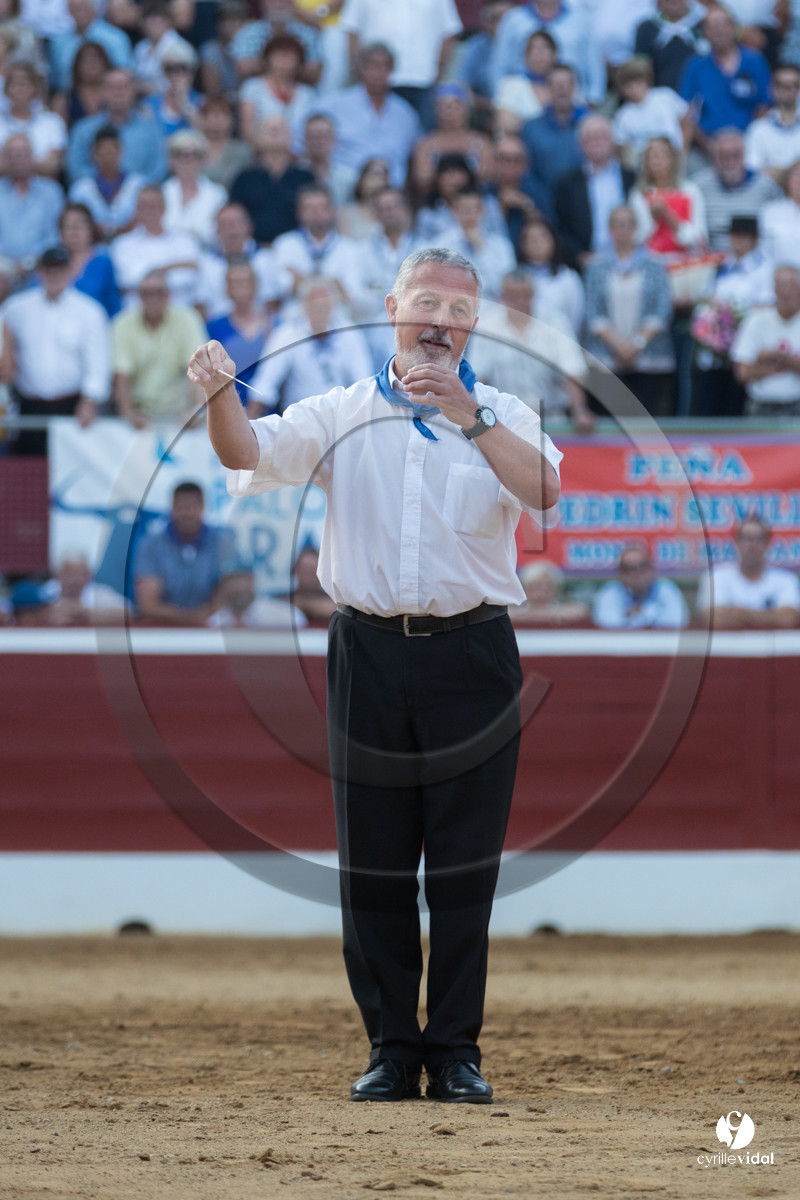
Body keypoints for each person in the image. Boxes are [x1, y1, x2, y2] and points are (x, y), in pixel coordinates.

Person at [188, 246, 562, 1104]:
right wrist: (217, 395)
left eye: (460, 312)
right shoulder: (341, 410)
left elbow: (542, 493)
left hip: (473, 653)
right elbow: (245, 452)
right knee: (376, 866)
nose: (441, 322)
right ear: (392, 305)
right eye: (427, 302)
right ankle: (394, 1048)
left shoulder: (503, 411)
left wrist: (470, 415)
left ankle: (456, 1050)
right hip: (367, 649)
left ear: (474, 327)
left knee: (466, 867)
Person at [2, 244, 110, 453]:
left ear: (71, 271)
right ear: (39, 272)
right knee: (29, 474)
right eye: (48, 268)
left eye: (59, 268)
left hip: (71, 407)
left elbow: (98, 360)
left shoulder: (89, 311)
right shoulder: (16, 308)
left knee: (70, 472)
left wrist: (90, 400)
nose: (54, 274)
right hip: (28, 406)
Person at [469, 267, 593, 430]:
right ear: (502, 296)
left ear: (534, 294)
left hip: (551, 421)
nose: (519, 301)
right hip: (503, 422)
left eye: (525, 295)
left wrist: (579, 411)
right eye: (513, 295)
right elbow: (478, 376)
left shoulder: (555, 321)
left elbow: (572, 370)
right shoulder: (487, 324)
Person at [583, 205, 676, 416]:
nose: (622, 230)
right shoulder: (595, 265)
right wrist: (618, 346)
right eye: (616, 225)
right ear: (609, 229)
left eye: (627, 225)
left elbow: (662, 309)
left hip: (648, 359)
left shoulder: (654, 264)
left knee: (646, 425)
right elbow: (592, 312)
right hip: (607, 359)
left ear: (636, 228)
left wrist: (636, 345)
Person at [248, 275, 373, 415]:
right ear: (304, 306)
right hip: (298, 419)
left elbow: (363, 382)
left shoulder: (350, 334)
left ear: (333, 306)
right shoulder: (287, 334)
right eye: (314, 306)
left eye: (324, 305)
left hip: (340, 417)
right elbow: (266, 382)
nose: (319, 312)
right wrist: (249, 421)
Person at [692, 215, 773, 418]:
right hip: (714, 352)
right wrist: (711, 325)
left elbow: (764, 308)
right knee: (708, 407)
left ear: (754, 240)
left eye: (744, 237)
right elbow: (705, 299)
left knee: (735, 408)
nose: (738, 241)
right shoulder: (722, 266)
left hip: (744, 351)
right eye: (735, 236)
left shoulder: (764, 269)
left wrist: (732, 320)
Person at [339, 0, 462, 130]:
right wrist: (359, 73)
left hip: (423, 80)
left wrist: (439, 72)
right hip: (376, 85)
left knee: (421, 136)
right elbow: (352, 30)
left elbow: (448, 31)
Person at [317, 42, 422, 192]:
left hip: (391, 192)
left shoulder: (405, 113)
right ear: (361, 69)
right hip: (346, 189)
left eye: (384, 66)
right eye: (373, 65)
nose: (378, 72)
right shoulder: (333, 105)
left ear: (391, 71)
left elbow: (416, 154)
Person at [111, 269, 208, 426]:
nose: (153, 298)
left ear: (169, 295)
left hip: (180, 412)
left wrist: (197, 411)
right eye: (146, 293)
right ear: (138, 296)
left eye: (159, 292)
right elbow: (122, 374)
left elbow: (199, 368)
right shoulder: (122, 324)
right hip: (140, 412)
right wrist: (129, 414)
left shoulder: (188, 319)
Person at [134, 480, 237, 625]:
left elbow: (230, 590)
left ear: (203, 508)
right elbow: (148, 605)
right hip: (162, 627)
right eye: (181, 507)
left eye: (192, 507)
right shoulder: (151, 545)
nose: (187, 513)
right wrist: (194, 618)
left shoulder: (223, 541)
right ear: (172, 509)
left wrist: (205, 616)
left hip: (211, 625)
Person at [679, 6, 772, 151]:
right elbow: (688, 112)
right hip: (706, 146)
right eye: (713, 27)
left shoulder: (755, 60)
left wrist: (748, 141)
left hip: (750, 144)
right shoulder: (695, 66)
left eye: (724, 25)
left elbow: (764, 106)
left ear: (734, 28)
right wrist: (709, 146)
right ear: (705, 32)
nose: (720, 31)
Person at [553, 114, 637, 268]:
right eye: (591, 137)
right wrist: (579, 256)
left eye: (602, 136)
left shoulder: (633, 178)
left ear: (613, 140)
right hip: (587, 263)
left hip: (631, 261)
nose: (597, 141)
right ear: (580, 145)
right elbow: (560, 227)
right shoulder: (567, 184)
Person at [490, 0, 605, 104]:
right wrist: (500, 100)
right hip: (522, 99)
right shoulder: (513, 20)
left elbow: (594, 64)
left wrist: (593, 100)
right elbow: (500, 64)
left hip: (572, 99)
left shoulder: (581, 19)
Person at [696, 515, 800, 630]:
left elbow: (789, 618)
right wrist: (769, 616)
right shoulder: (716, 576)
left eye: (759, 538)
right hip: (727, 646)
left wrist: (738, 613)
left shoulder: (786, 579)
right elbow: (714, 618)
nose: (752, 544)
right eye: (746, 538)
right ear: (736, 541)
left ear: (768, 543)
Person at [67, 67, 168, 185]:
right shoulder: (83, 130)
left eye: (125, 87)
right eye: (113, 87)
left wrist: (132, 190)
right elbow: (75, 169)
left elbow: (159, 170)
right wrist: (104, 187)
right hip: (94, 198)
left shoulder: (151, 130)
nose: (119, 92)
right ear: (103, 92)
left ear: (134, 91)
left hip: (140, 198)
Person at [271, 183, 365, 305]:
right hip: (295, 319)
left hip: (338, 320)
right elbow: (280, 288)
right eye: (309, 208)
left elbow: (354, 295)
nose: (315, 213)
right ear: (299, 212)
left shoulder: (350, 248)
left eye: (321, 208)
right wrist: (333, 284)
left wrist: (301, 280)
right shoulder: (285, 244)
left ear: (332, 211)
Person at [110, 184, 202, 308]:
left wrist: (151, 272)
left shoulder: (185, 241)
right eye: (144, 205)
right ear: (137, 210)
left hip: (180, 311)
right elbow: (129, 279)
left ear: (164, 208)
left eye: (154, 205)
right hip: (137, 314)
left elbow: (190, 278)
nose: (150, 210)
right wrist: (177, 265)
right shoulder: (122, 244)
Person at [230, 114, 315, 246]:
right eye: (268, 129)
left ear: (291, 137)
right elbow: (235, 217)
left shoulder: (305, 177)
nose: (274, 131)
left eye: (280, 129)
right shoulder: (244, 178)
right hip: (255, 251)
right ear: (256, 138)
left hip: (299, 251)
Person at [692, 128, 780, 251]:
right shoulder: (699, 185)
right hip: (712, 261)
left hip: (755, 262)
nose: (730, 162)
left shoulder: (766, 186)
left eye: (736, 155)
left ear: (745, 156)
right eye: (723, 156)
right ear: (714, 158)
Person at [197, 202, 288, 320]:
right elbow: (201, 306)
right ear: (217, 230)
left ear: (249, 226)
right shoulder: (206, 263)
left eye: (236, 223)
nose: (231, 230)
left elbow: (272, 303)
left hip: (260, 327)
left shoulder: (266, 259)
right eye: (225, 225)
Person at [731, 264, 800, 416]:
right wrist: (789, 363)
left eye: (792, 286)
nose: (786, 293)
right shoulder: (756, 319)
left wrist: (773, 358)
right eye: (781, 286)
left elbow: (751, 364)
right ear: (774, 290)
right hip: (761, 406)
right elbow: (742, 373)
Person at [206, 260, 274, 404]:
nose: (240, 287)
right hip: (228, 407)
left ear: (255, 286)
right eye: (234, 283)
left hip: (268, 411)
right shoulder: (214, 327)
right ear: (227, 288)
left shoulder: (273, 326)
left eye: (246, 282)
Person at [410, 82, 493, 198]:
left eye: (456, 106)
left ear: (467, 109)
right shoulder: (425, 144)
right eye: (444, 106)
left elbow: (487, 175)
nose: (450, 112)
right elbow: (422, 178)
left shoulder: (482, 142)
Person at [628, 136, 707, 259]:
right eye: (652, 156)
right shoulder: (638, 195)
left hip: (685, 262)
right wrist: (653, 218)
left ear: (673, 159)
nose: (657, 161)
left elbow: (699, 237)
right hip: (651, 262)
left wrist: (669, 217)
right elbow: (636, 239)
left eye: (662, 155)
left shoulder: (690, 191)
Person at [433, 186, 516, 299]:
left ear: (482, 211)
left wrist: (481, 248)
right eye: (465, 210)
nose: (470, 216)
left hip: (493, 309)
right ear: (454, 212)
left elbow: (504, 289)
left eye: (474, 209)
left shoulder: (501, 245)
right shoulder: (440, 245)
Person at [519, 62, 587, 199]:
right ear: (547, 88)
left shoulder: (590, 126)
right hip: (545, 203)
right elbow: (527, 173)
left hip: (584, 205)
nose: (561, 89)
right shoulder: (531, 129)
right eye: (556, 84)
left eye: (567, 83)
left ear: (574, 88)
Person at [238, 32, 317, 147]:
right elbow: (247, 132)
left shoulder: (308, 93)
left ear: (299, 61)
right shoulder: (252, 88)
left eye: (290, 55)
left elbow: (311, 132)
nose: (284, 61)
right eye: (279, 54)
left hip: (300, 157)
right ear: (267, 58)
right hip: (261, 157)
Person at [68, 123, 145, 238]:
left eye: (112, 151)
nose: (108, 156)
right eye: (103, 151)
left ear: (120, 151)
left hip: (132, 246)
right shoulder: (81, 189)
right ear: (94, 154)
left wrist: (122, 230)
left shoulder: (139, 185)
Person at [612, 57, 691, 168]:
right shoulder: (622, 115)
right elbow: (622, 149)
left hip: (675, 158)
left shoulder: (665, 96)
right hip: (644, 168)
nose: (634, 88)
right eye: (628, 85)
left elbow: (687, 121)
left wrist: (684, 149)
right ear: (622, 89)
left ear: (647, 81)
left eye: (638, 82)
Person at [0, 134, 63, 272]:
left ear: (33, 157)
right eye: (12, 154)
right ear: (4, 159)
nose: (18, 158)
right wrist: (6, 266)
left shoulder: (51, 191)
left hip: (43, 267)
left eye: (23, 153)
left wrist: (31, 262)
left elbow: (55, 235)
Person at [593, 545, 689, 629]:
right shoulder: (609, 592)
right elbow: (608, 623)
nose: (636, 573)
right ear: (620, 573)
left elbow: (678, 620)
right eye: (628, 568)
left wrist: (637, 613)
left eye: (642, 566)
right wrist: (652, 614)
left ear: (652, 568)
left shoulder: (666, 589)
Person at [518, 215, 585, 335]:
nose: (537, 243)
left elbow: (576, 317)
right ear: (523, 244)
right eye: (532, 239)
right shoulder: (516, 278)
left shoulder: (568, 277)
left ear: (553, 241)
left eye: (542, 237)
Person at [0, 60, 68, 176]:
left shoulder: (52, 122)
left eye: (24, 84)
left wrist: (13, 165)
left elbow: (53, 165)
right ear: (6, 89)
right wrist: (35, 165)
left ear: (35, 89)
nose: (19, 89)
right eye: (14, 84)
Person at [162, 129, 228, 248]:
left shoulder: (217, 194)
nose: (187, 159)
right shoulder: (161, 192)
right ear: (171, 160)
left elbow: (219, 236)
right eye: (179, 153)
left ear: (203, 159)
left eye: (194, 154)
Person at [49, 0, 132, 93]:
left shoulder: (116, 38)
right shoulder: (59, 43)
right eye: (75, 8)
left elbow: (123, 73)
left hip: (108, 98)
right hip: (70, 98)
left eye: (83, 6)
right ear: (68, 10)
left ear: (95, 8)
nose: (79, 11)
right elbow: (57, 81)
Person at [59, 201, 121, 317]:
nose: (74, 231)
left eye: (79, 225)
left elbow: (113, 305)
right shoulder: (52, 262)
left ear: (91, 229)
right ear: (61, 232)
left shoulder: (103, 263)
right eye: (68, 226)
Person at [633, 0, 707, 92]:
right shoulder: (647, 28)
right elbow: (640, 68)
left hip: (700, 94)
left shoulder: (703, 25)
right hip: (661, 97)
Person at [494, 28, 557, 136]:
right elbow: (505, 124)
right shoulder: (511, 85)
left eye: (545, 48)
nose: (540, 54)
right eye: (534, 49)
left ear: (554, 54)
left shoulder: (565, 83)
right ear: (526, 56)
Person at [745, 61, 800, 176]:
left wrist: (776, 172)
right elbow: (754, 174)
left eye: (796, 85)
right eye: (785, 86)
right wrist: (792, 170)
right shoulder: (757, 130)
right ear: (773, 89)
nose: (791, 90)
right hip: (769, 193)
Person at [207, 566, 307, 628]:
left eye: (240, 579)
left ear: (252, 581)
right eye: (230, 581)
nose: (236, 586)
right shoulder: (217, 621)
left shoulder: (282, 614)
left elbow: (300, 623)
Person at [48, 551, 126, 625]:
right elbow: (36, 612)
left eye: (81, 574)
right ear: (58, 575)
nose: (75, 580)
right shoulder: (46, 593)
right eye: (69, 573)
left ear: (89, 576)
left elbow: (129, 613)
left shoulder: (99, 594)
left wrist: (86, 613)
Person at [197, 96, 254, 191]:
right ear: (202, 119)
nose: (217, 117)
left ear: (231, 120)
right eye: (212, 113)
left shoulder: (242, 150)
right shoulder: (192, 147)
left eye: (224, 113)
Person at [510, 559, 589, 626]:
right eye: (538, 584)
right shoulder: (515, 610)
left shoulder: (568, 610)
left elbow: (580, 611)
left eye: (549, 585)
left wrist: (530, 616)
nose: (544, 588)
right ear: (526, 587)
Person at [52, 40, 111, 128]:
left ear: (105, 64)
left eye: (96, 60)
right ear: (77, 66)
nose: (91, 64)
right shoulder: (63, 100)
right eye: (86, 61)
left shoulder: (116, 95)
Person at [336, 156, 390, 240]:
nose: (376, 180)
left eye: (382, 175)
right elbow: (344, 246)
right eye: (373, 174)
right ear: (362, 179)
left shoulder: (392, 213)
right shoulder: (346, 213)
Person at [760, 158, 800, 269]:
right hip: (778, 277)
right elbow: (764, 251)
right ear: (787, 180)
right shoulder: (770, 212)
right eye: (797, 176)